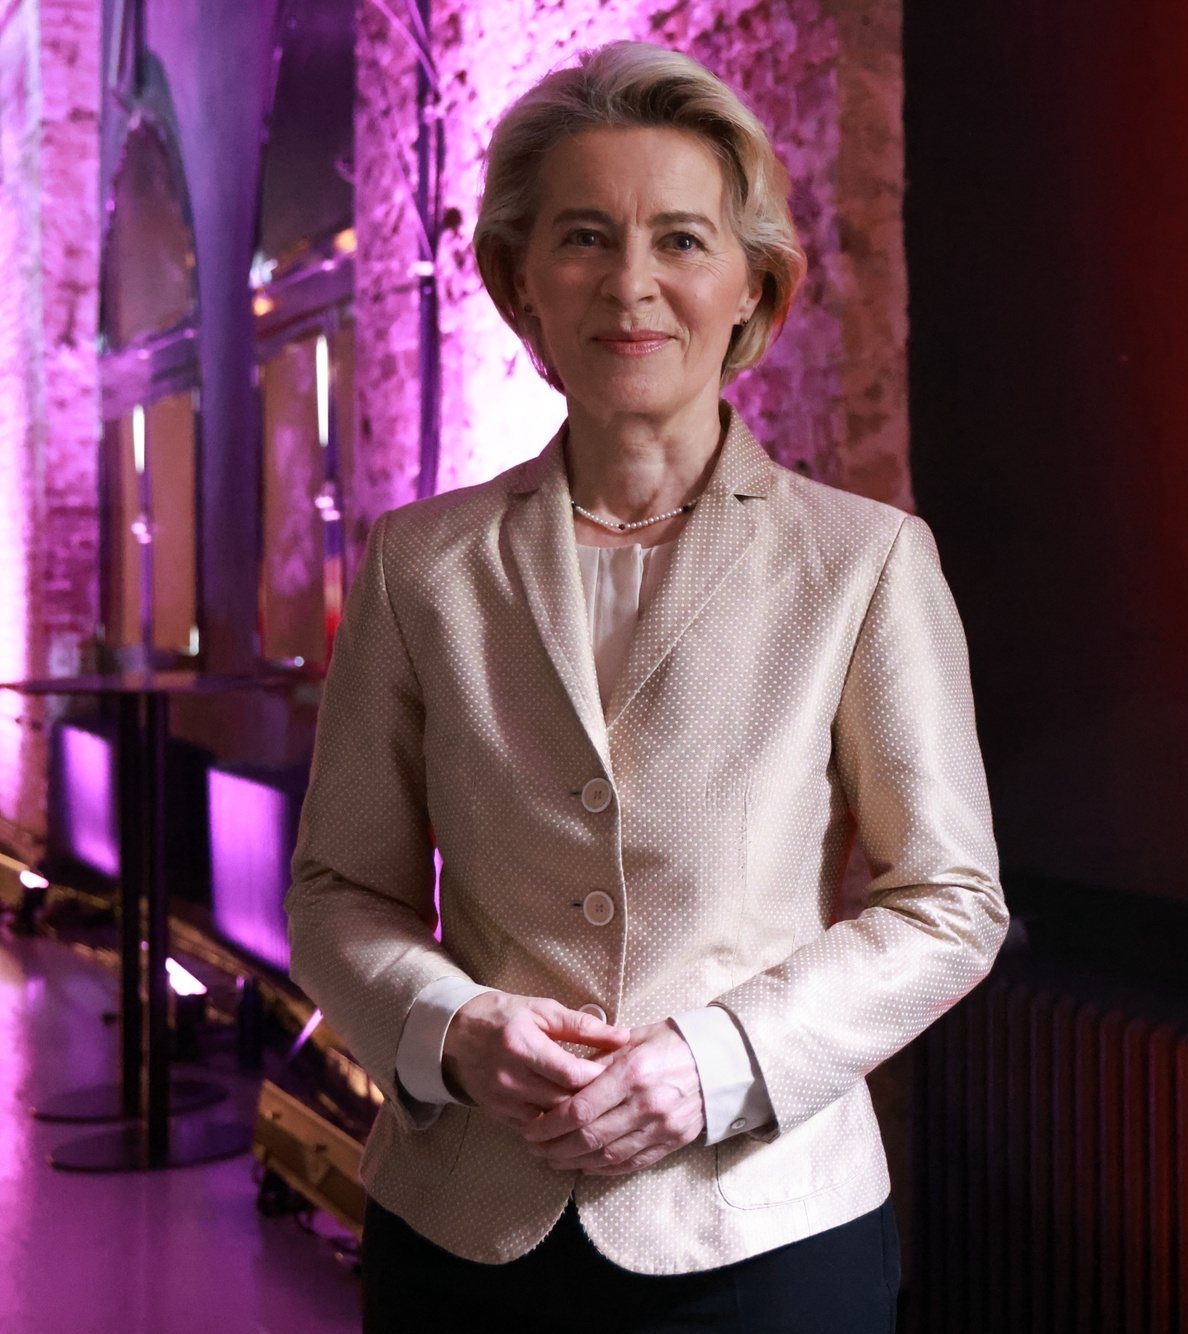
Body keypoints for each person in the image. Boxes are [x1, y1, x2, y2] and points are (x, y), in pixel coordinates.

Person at [284, 41, 1007, 1333]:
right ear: (519, 279)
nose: (632, 285)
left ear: (752, 284)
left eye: (680, 239)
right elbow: (340, 888)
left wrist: (714, 1060)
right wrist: (452, 1025)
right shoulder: (419, 562)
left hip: (763, 1226)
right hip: (462, 1227)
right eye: (582, 237)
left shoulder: (866, 561)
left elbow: (949, 901)